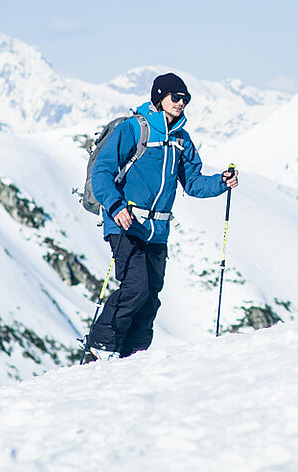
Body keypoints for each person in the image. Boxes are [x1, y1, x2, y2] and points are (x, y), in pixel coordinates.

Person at [87, 72, 238, 359]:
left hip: (157, 229)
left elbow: (192, 183)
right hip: (126, 223)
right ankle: (102, 345)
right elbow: (102, 172)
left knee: (151, 293)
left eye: (185, 99)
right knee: (136, 286)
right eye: (175, 97)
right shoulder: (133, 129)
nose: (181, 102)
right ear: (160, 97)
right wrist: (116, 207)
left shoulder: (182, 139)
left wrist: (221, 181)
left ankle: (134, 352)